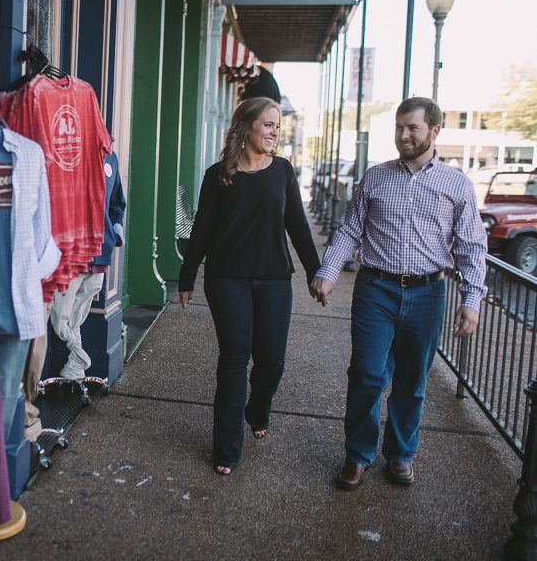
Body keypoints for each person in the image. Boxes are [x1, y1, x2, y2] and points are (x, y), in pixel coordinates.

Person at [310, 97, 487, 490]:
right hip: (376, 289)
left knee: (412, 381)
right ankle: (358, 454)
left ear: (434, 131)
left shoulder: (456, 184)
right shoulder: (375, 177)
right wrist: (329, 270)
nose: (403, 135)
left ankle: (401, 454)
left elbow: (472, 246)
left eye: (413, 128)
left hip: (428, 294)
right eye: (399, 127)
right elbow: (350, 229)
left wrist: (472, 300)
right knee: (367, 374)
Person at [178, 97, 321, 475]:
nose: (275, 132)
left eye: (277, 126)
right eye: (269, 124)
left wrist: (315, 272)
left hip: (274, 279)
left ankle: (257, 409)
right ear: (246, 126)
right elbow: (202, 229)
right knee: (234, 358)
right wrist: (187, 276)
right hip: (227, 279)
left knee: (272, 361)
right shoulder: (219, 174)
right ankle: (226, 448)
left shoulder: (283, 171)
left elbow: (298, 226)